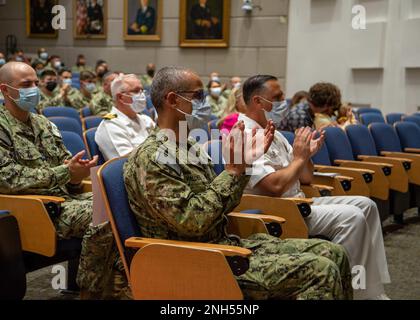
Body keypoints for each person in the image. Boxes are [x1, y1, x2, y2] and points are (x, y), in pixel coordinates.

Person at [123, 66, 353, 300]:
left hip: (223, 244)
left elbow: (222, 206)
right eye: (198, 96)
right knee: (321, 271)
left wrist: (243, 167)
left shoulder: (189, 146)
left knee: (335, 253)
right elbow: (193, 221)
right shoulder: (154, 157)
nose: (206, 104)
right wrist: (233, 171)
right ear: (172, 100)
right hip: (196, 260)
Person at [240, 75, 391, 300]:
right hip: (278, 211)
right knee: (352, 217)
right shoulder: (245, 134)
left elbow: (307, 178)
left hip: (300, 202)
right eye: (278, 97)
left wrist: (307, 154)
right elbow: (274, 186)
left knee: (366, 205)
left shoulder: (274, 131)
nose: (285, 101)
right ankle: (352, 293)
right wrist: (299, 159)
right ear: (258, 102)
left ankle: (371, 290)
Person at [0, 61, 115, 299]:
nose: (34, 89)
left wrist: (77, 173)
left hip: (65, 199)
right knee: (106, 218)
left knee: (121, 202)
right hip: (35, 208)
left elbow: (66, 167)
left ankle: (118, 285)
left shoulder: (44, 124)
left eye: (35, 83)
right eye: (26, 84)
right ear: (5, 90)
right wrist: (65, 173)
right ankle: (90, 291)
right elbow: (8, 178)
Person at [95, 74, 155, 161]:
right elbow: (128, 163)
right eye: (136, 91)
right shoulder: (111, 125)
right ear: (121, 97)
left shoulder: (145, 119)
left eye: (142, 90)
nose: (142, 95)